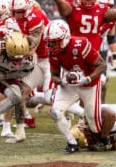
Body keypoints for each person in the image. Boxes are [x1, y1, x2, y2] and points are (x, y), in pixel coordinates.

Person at [43, 19, 107, 154]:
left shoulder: (80, 44)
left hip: (89, 84)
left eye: (54, 42)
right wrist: (62, 81)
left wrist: (87, 78)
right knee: (56, 111)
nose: (51, 45)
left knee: (94, 125)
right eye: (49, 42)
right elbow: (54, 75)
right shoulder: (53, 51)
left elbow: (102, 65)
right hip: (70, 85)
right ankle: (72, 143)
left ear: (65, 37)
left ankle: (101, 139)